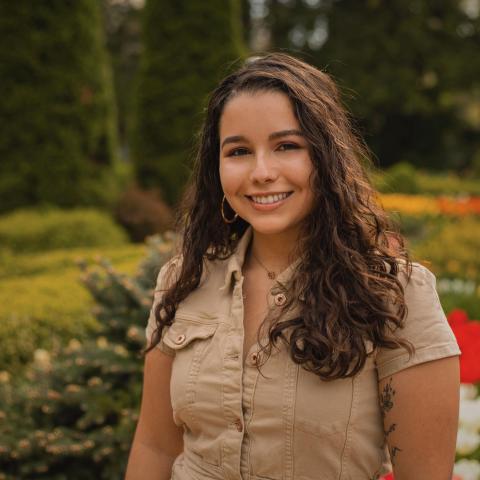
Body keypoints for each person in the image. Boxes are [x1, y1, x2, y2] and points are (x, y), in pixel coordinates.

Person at [125, 53, 461, 480]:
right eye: (239, 151)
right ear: (218, 166)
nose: (262, 172)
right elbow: (155, 447)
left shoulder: (395, 294)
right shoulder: (182, 281)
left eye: (287, 146)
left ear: (326, 156)